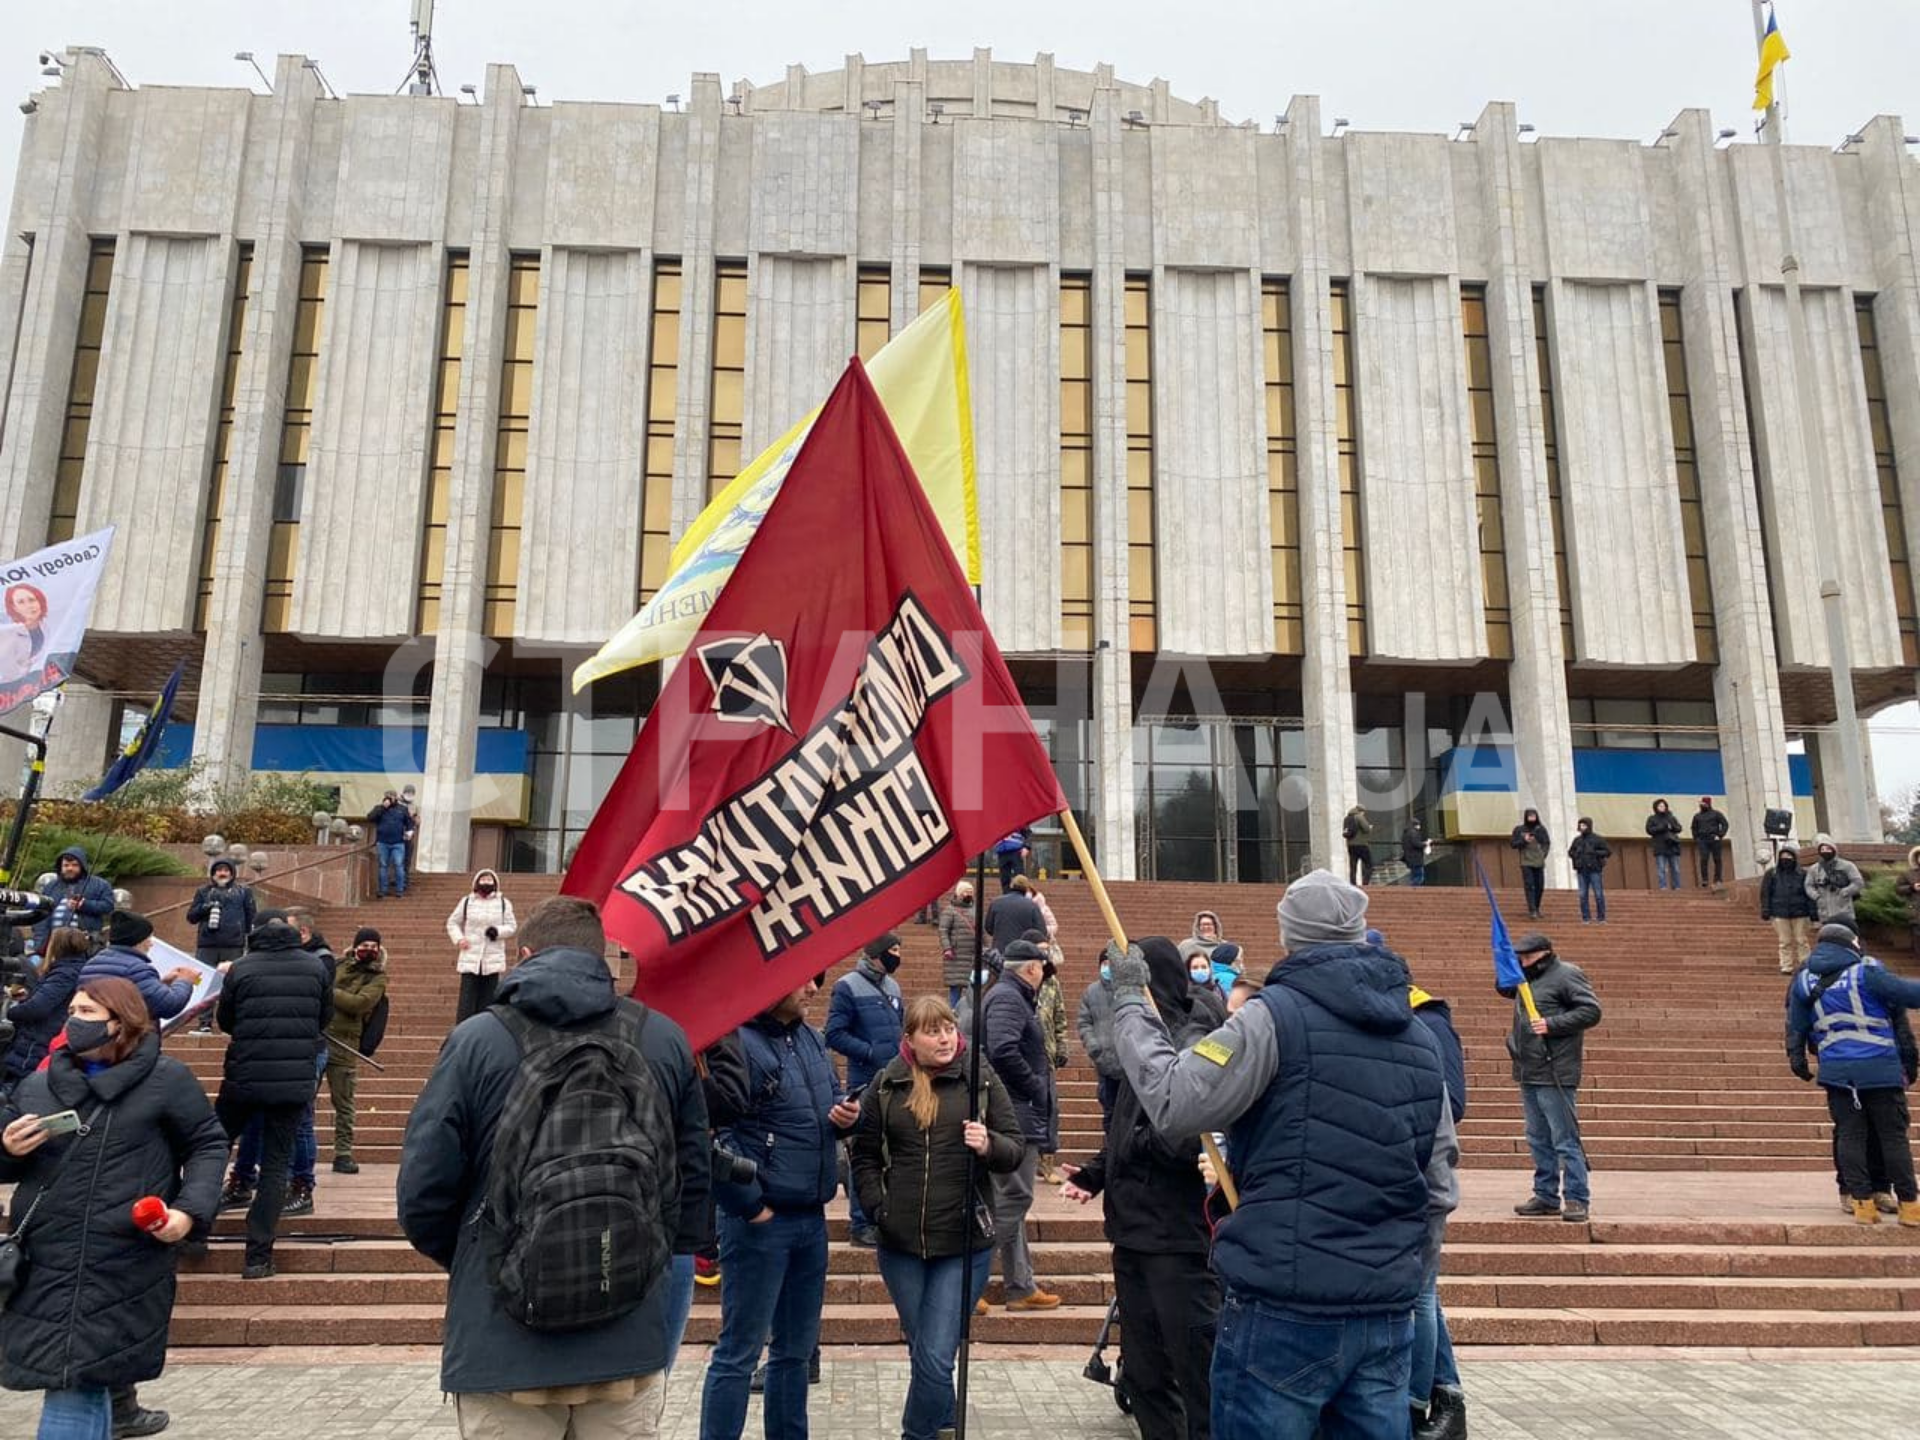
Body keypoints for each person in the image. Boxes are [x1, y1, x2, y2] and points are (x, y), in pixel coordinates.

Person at [1107, 870, 1457, 1438]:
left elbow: (1174, 1101)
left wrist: (1128, 1002)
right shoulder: (1418, 1036)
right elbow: (1439, 1180)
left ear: (1289, 937)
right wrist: (1408, 1270)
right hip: (1385, 1307)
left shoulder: (1269, 1019)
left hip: (1285, 1309)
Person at [398, 896, 709, 1440]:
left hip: (503, 1343)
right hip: (626, 1335)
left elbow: (424, 1189)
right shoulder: (662, 1038)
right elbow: (692, 1181)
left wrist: (487, 1252)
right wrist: (637, 1253)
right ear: (604, 959)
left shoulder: (477, 1040)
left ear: (523, 954)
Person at [0, 977, 227, 1440]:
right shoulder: (39, 1085)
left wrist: (187, 1212)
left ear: (121, 1023)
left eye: (87, 1013)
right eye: (72, 1011)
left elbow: (207, 1145)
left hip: (122, 1259)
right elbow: (9, 1168)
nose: (74, 1021)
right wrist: (8, 1148)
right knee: (81, 1379)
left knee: (75, 1382)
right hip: (47, 1259)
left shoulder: (166, 1079)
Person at [1063, 937, 1221, 1440]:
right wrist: (1096, 1172)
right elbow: (1125, 1126)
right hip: (1131, 1232)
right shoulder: (1141, 1040)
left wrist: (1139, 1143)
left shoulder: (1196, 1035)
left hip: (1177, 1237)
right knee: (1146, 1372)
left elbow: (1187, 1136)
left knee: (1196, 1368)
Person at [850, 997, 1023, 1440]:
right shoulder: (886, 1085)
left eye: (948, 1028)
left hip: (962, 1243)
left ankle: (916, 1434)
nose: (945, 1037)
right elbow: (864, 1156)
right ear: (910, 1040)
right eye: (932, 1031)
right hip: (900, 1242)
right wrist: (877, 1209)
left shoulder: (978, 1078)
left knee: (936, 1351)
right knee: (923, 1347)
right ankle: (943, 1423)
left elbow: (1014, 1149)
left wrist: (988, 1145)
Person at [700, 979, 861, 1440]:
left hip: (810, 1216)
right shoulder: (736, 1042)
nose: (813, 989)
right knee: (739, 1351)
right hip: (760, 1221)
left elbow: (828, 1101)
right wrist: (749, 1206)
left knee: (794, 1352)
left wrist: (847, 1117)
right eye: (804, 980)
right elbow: (716, 1134)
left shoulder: (811, 1039)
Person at [214, 913, 331, 1278]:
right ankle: (258, 1256)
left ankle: (194, 1232)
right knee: (276, 1166)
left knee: (215, 1148)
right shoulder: (315, 968)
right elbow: (323, 1019)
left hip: (244, 1077)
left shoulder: (242, 969)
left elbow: (226, 1020)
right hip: (292, 1081)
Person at [1786, 922, 1920, 1227]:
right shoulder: (1866, 971)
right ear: (1851, 944)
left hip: (1838, 1074)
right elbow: (1907, 994)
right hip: (1880, 1068)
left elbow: (1796, 1024)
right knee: (1892, 1137)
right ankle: (1910, 1206)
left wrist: (1797, 1057)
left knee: (1850, 1135)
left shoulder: (1805, 981)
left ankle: (1862, 1205)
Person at [978, 938, 1061, 1311]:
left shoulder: (1011, 996)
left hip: (1018, 1110)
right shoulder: (1009, 998)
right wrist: (1034, 1086)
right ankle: (968, 1274)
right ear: (1031, 967)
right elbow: (1002, 1049)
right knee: (1014, 1196)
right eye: (1043, 967)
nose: (1044, 975)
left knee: (1013, 1197)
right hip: (1014, 1114)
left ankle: (1020, 1285)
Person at [1503, 931, 1602, 1224]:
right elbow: (1504, 989)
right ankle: (1545, 1195)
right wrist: (1505, 967)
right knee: (1537, 1138)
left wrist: (1552, 1024)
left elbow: (1591, 1011)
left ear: (1545, 954)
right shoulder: (1525, 978)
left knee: (1564, 1138)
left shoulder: (1567, 975)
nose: (1524, 962)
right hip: (1529, 1068)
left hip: (1556, 1069)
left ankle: (1576, 1197)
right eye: (1520, 958)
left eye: (1528, 957)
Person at [1408, 978, 1469, 1440]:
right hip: (1416, 1183)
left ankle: (1417, 1402)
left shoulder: (1425, 1023)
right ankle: (1444, 1394)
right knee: (1424, 1297)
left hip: (1421, 1186)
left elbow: (1452, 1102)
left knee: (1422, 1297)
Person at [824, 935, 904, 1248]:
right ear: (875, 953)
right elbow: (834, 1033)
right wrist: (869, 1052)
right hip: (866, 1081)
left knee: (889, 1153)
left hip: (894, 1080)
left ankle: (881, 1217)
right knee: (866, 1152)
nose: (897, 956)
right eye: (893, 951)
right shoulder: (848, 986)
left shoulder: (893, 987)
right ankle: (860, 1222)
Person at [324, 927, 387, 1176]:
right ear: (355, 946)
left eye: (374, 946)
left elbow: (360, 1004)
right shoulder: (338, 965)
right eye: (365, 945)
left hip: (346, 1044)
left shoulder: (378, 977)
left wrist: (329, 991)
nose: (369, 950)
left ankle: (343, 1154)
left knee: (344, 1103)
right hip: (319, 1038)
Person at [2, 928, 88, 1086]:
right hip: (42, 1038)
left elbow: (38, 1008)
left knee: (15, 1087)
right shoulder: (73, 970)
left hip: (36, 1041)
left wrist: (9, 1012)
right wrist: (26, 998)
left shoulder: (64, 973)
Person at [79, 911, 196, 1025]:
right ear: (138, 940)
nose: (151, 944)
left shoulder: (91, 964)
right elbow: (167, 1006)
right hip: (126, 1038)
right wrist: (185, 980)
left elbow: (131, 994)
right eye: (149, 938)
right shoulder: (136, 969)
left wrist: (161, 983)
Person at [446, 868, 517, 1023]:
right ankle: (463, 1031)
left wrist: (497, 931)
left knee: (488, 999)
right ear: (476, 882)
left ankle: (484, 1028)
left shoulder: (504, 903)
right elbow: (453, 922)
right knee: (467, 1000)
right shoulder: (467, 901)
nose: (486, 882)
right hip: (471, 955)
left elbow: (512, 926)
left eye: (489, 879)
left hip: (492, 957)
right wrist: (459, 939)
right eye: (483, 879)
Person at [30, 846, 115, 956]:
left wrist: (85, 905)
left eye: (74, 865)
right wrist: (40, 943)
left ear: (82, 866)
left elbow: (108, 906)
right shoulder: (51, 887)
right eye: (66, 865)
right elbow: (41, 914)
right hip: (53, 945)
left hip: (85, 944)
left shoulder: (100, 885)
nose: (70, 868)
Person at [184, 858, 256, 971]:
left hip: (234, 944)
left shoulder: (243, 891)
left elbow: (250, 917)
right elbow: (191, 917)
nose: (222, 873)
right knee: (202, 977)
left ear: (232, 874)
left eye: (226, 870)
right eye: (219, 870)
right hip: (207, 944)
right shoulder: (203, 891)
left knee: (231, 978)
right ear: (213, 873)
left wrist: (250, 942)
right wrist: (205, 908)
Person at [1076, 957, 1123, 1122]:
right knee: (1109, 1109)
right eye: (1104, 964)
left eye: (1111, 963)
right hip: (1104, 1060)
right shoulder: (1092, 991)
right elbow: (1084, 1022)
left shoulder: (1128, 990)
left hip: (1128, 1062)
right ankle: (1110, 1145)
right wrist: (1093, 1046)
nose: (1108, 967)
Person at [1761, 844, 1818, 975]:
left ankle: (1805, 964)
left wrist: (1813, 912)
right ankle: (1786, 966)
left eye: (1789, 856)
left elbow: (1809, 893)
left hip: (1800, 912)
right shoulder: (1772, 873)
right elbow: (1765, 892)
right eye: (1783, 856)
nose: (1786, 859)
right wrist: (1766, 909)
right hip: (1779, 912)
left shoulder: (1803, 874)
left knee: (1801, 940)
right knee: (1784, 941)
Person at [1804, 836, 1865, 927]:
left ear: (1834, 849)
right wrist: (1816, 896)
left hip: (1844, 911)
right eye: (1822, 849)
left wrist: (1846, 891)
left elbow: (1858, 882)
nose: (1825, 851)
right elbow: (1808, 885)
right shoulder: (1814, 869)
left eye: (1828, 848)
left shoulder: (1847, 866)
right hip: (1825, 912)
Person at [936, 881, 980, 1007]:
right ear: (959, 893)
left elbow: (981, 931)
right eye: (966, 892)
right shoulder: (950, 911)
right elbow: (943, 930)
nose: (969, 894)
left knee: (972, 990)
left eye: (971, 892)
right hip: (956, 956)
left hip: (972, 956)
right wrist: (947, 948)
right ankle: (954, 1014)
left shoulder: (975, 910)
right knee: (955, 990)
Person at [368, 789, 416, 899]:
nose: (389, 798)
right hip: (383, 842)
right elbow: (370, 818)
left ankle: (400, 889)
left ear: (396, 797)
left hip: (398, 842)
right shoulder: (379, 808)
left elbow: (409, 822)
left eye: (391, 796)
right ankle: (383, 890)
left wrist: (409, 833)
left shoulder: (402, 809)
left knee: (399, 865)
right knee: (383, 866)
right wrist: (382, 808)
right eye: (387, 796)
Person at [984, 876, 1045, 957]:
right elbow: (1041, 931)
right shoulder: (1032, 906)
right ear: (1026, 888)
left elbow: (988, 927)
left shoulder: (996, 902)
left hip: (1000, 951)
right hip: (1023, 953)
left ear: (1011, 886)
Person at [1568, 818, 1611, 925]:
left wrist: (1594, 853)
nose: (1582, 828)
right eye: (1580, 825)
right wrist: (1576, 855)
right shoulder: (1577, 840)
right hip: (1582, 869)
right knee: (1582, 895)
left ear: (1589, 826)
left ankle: (1601, 917)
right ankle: (1586, 917)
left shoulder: (1597, 839)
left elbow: (1608, 851)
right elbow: (1570, 851)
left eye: (1584, 825)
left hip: (1594, 869)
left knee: (1598, 894)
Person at [1510, 808, 1550, 919]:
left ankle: (1537, 907)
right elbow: (1513, 844)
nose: (1532, 818)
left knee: (1540, 886)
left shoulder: (1541, 829)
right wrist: (1524, 840)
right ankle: (1532, 909)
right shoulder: (1519, 829)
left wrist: (1543, 854)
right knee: (1529, 885)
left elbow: (1546, 843)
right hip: (1526, 861)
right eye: (1529, 816)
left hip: (1539, 861)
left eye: (1533, 816)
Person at [1645, 799, 1683, 892]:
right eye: (1660, 806)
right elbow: (1649, 830)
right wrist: (1662, 827)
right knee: (1661, 869)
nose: (1662, 808)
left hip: (1672, 846)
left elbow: (1679, 828)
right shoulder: (1652, 819)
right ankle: (1663, 886)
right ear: (1656, 807)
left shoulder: (1671, 817)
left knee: (1675, 868)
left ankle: (1677, 886)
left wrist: (1672, 827)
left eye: (1663, 806)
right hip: (1660, 846)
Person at [1691, 795, 1729, 888]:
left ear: (1708, 804)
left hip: (1714, 838)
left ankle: (1718, 879)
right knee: (1704, 859)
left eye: (1704, 804)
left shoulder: (1716, 814)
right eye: (1701, 804)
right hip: (1703, 840)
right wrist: (1696, 838)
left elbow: (1725, 824)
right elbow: (1694, 828)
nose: (1702, 805)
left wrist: (1720, 835)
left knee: (1717, 859)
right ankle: (1705, 880)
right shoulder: (1697, 816)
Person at [1895, 845, 1920, 957]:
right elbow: (1898, 889)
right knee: (1917, 934)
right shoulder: (1908, 874)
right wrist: (1912, 888)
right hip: (1916, 909)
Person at [1343, 805, 1373, 886]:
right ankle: (1365, 884)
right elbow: (1366, 829)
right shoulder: (1359, 817)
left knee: (1353, 866)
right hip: (1361, 845)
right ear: (1361, 811)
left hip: (1351, 845)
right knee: (1369, 865)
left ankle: (1353, 884)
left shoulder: (1347, 818)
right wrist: (1370, 828)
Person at [993, 828, 1031, 893]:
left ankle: (1020, 896)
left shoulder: (1017, 819)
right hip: (1002, 851)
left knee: (1019, 876)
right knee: (1004, 878)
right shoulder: (996, 821)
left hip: (1016, 850)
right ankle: (1007, 897)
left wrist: (1026, 847)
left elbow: (1028, 833)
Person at [1401, 817, 1432, 887]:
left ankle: (1412, 891)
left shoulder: (1405, 833)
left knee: (1413, 876)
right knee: (1419, 877)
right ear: (1416, 825)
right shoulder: (1413, 832)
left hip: (1409, 858)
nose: (1419, 827)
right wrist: (1425, 843)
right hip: (1416, 858)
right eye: (1418, 825)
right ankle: (1412, 890)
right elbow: (1416, 844)